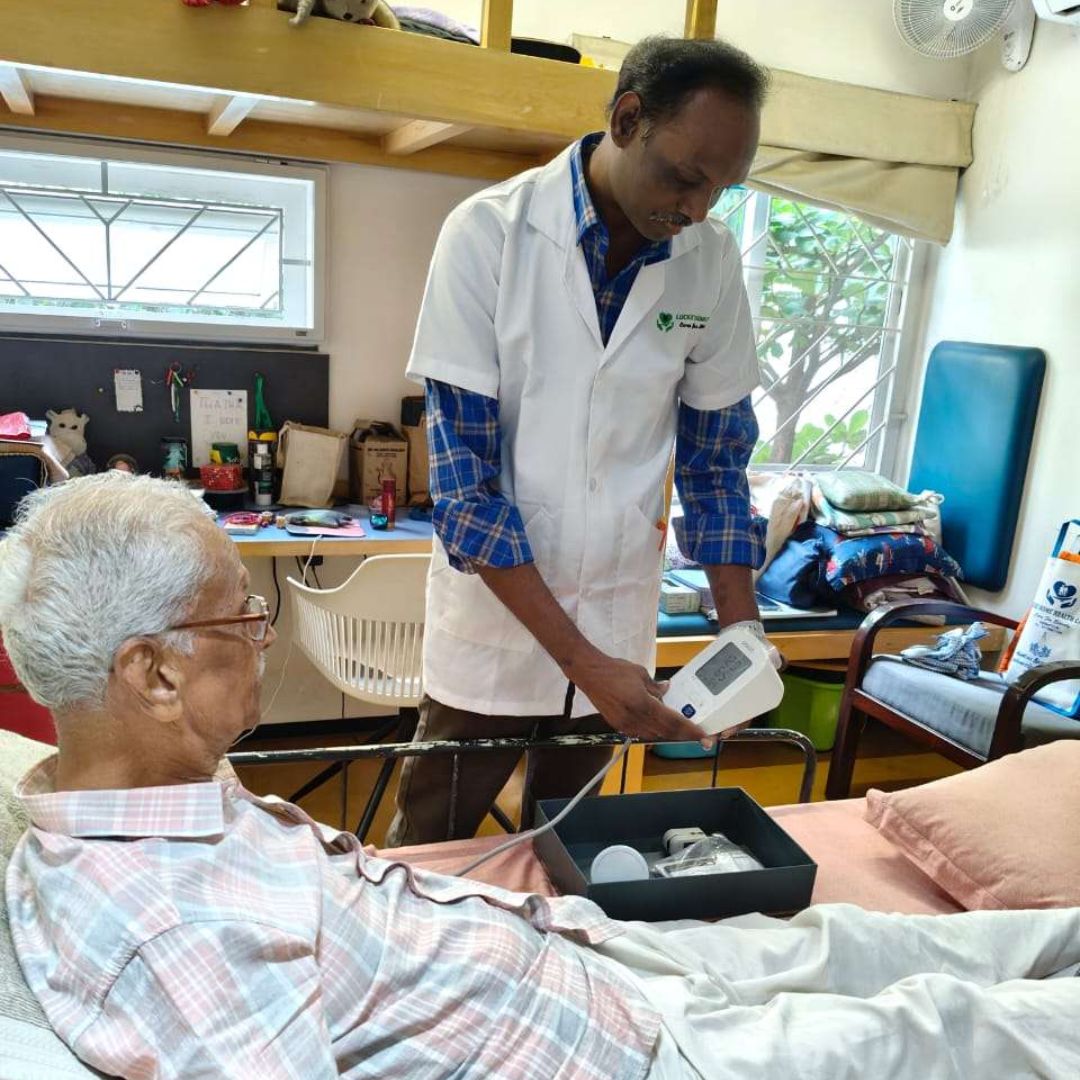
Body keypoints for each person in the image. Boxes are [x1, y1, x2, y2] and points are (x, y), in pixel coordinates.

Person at [3, 474, 1079, 1080]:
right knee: (937, 1027)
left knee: (871, 942)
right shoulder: (168, 935)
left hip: (591, 959)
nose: (262, 629)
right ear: (150, 674)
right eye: (241, 611)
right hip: (621, 1056)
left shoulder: (124, 799)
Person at [386, 36, 778, 847]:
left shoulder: (708, 261)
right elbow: (466, 494)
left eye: (723, 190)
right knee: (433, 845)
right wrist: (580, 661)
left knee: (572, 850)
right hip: (495, 627)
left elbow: (715, 464)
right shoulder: (488, 235)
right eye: (685, 176)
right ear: (627, 118)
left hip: (615, 622)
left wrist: (741, 633)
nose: (700, 209)